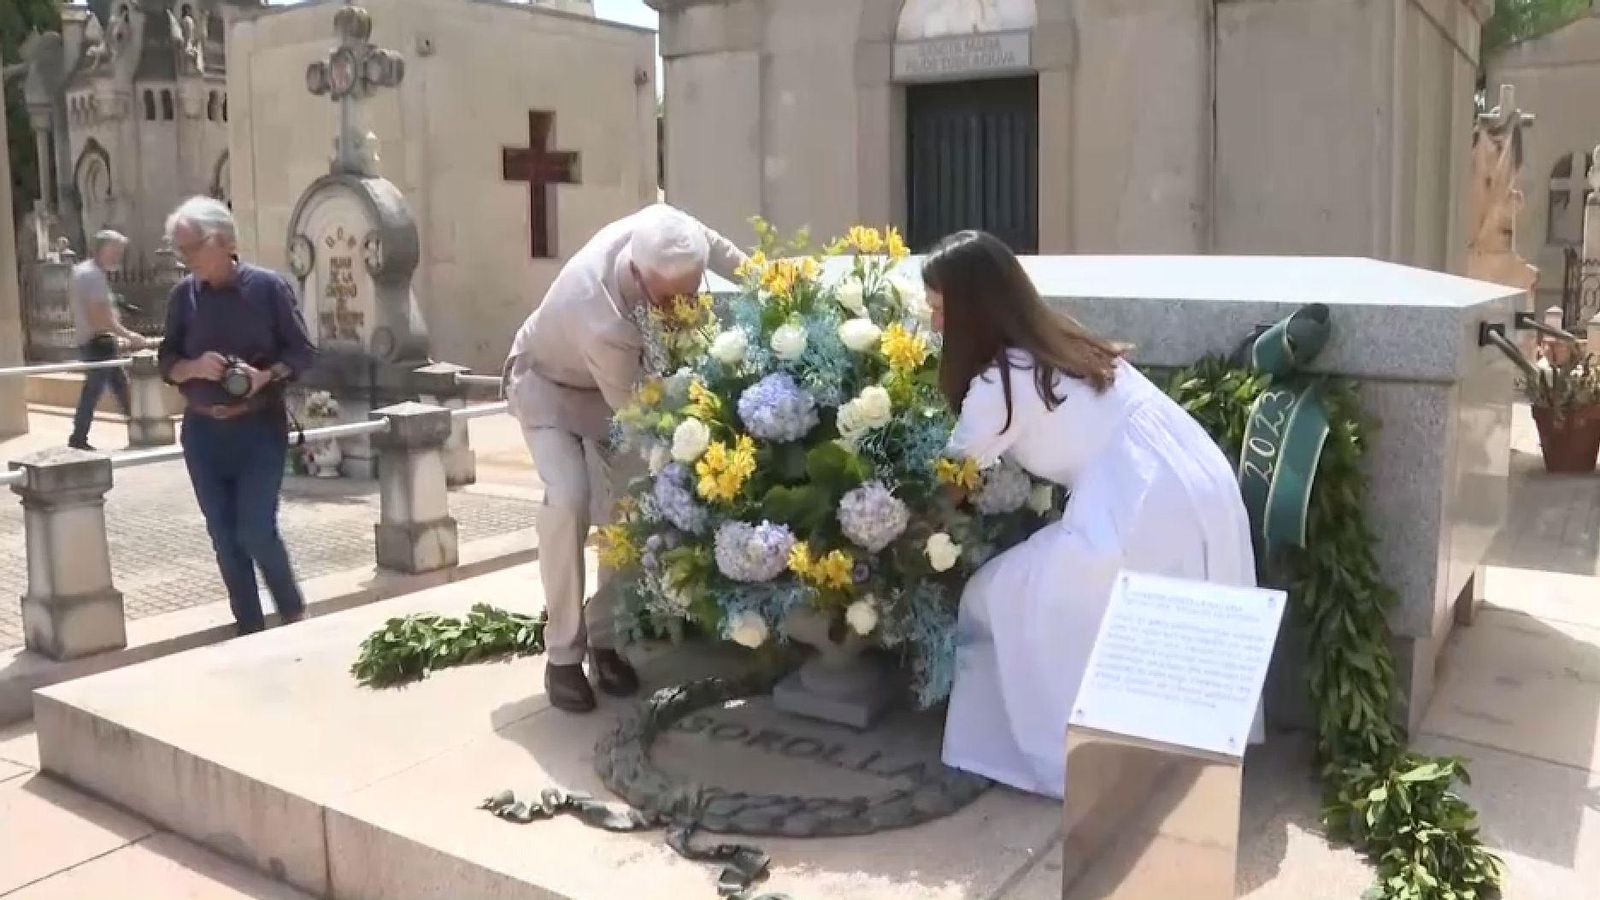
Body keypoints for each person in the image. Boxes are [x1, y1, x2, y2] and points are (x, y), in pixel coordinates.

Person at [925, 230, 1257, 799]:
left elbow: (950, 485)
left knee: (994, 595)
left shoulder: (997, 385)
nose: (932, 327)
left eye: (938, 310)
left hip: (1133, 506)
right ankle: (1165, 759)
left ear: (971, 311)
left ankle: (1064, 754)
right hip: (1190, 477)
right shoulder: (1063, 340)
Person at [504, 203, 748, 713]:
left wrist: (769, 282)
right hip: (550, 387)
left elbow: (712, 242)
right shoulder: (599, 314)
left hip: (615, 386)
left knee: (629, 510)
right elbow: (639, 414)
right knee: (569, 499)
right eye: (670, 300)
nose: (683, 308)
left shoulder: (663, 229)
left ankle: (606, 639)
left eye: (691, 294)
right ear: (638, 275)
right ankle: (564, 656)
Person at [158, 196, 317, 636]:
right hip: (202, 435)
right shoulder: (182, 297)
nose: (184, 259)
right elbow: (165, 359)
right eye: (180, 250)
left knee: (255, 530)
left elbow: (303, 353)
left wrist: (263, 376)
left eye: (190, 248)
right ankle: (248, 627)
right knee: (224, 539)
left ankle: (293, 613)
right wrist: (191, 367)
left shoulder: (268, 288)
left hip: (258, 429)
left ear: (224, 240)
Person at [68, 230, 150, 451]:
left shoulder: (85, 272)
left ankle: (139, 429)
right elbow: (99, 317)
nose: (117, 257)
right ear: (99, 249)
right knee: (94, 390)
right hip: (99, 342)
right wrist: (129, 335)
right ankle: (78, 437)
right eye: (114, 251)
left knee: (119, 386)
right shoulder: (92, 275)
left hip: (97, 341)